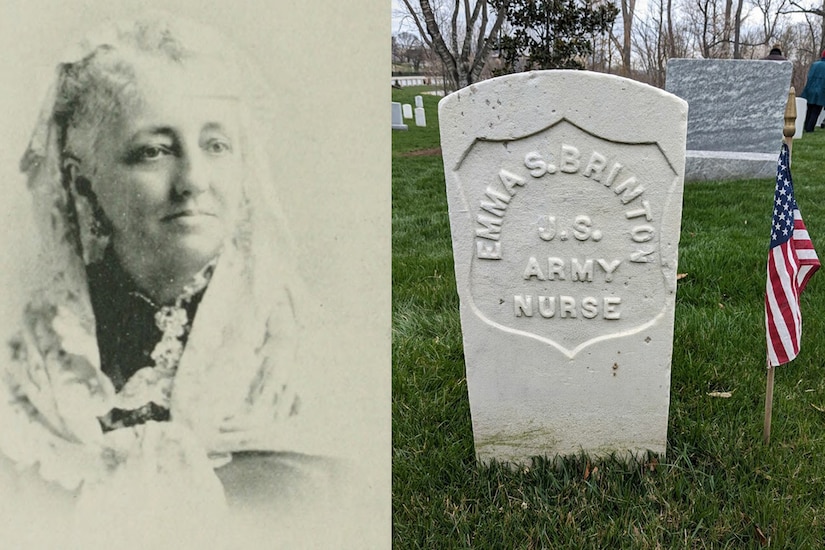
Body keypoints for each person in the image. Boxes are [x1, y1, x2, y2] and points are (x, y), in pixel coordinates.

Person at [0, 13, 345, 547]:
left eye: (216, 145)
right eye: (154, 150)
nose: (193, 182)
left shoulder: (293, 345)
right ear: (82, 183)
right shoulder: (41, 355)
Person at [801, 50, 825, 132]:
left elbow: (809, 77)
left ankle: (806, 126)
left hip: (810, 89)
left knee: (809, 109)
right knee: (816, 111)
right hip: (821, 91)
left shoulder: (814, 64)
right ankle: (810, 129)